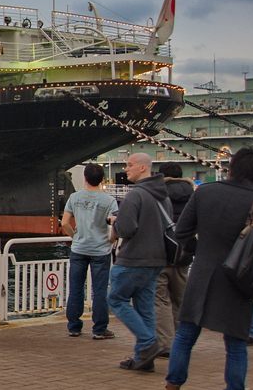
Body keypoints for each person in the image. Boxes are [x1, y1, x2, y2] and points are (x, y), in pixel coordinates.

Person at [155, 147, 253, 390]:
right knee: (235, 345)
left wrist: (203, 251)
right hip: (237, 281)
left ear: (230, 167)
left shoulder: (205, 193)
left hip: (203, 274)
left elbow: (181, 232)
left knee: (185, 337)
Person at [107, 152, 169, 372]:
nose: (126, 169)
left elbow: (127, 229)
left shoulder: (135, 196)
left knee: (116, 299)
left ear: (143, 168)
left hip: (133, 259)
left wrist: (116, 222)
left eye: (129, 165)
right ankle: (143, 358)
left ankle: (148, 342)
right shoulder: (163, 196)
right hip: (157, 259)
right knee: (145, 308)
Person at [60, 163, 118, 339]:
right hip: (100, 250)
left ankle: (74, 327)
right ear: (102, 179)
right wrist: (110, 240)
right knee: (100, 290)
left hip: (79, 248)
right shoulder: (109, 201)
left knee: (76, 288)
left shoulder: (74, 197)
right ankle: (100, 329)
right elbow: (115, 224)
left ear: (84, 178)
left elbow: (64, 223)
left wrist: (74, 236)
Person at [154, 163, 195, 355]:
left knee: (160, 300)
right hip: (184, 254)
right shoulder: (194, 194)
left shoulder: (158, 193)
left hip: (161, 253)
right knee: (180, 299)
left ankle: (165, 344)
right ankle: (182, 342)